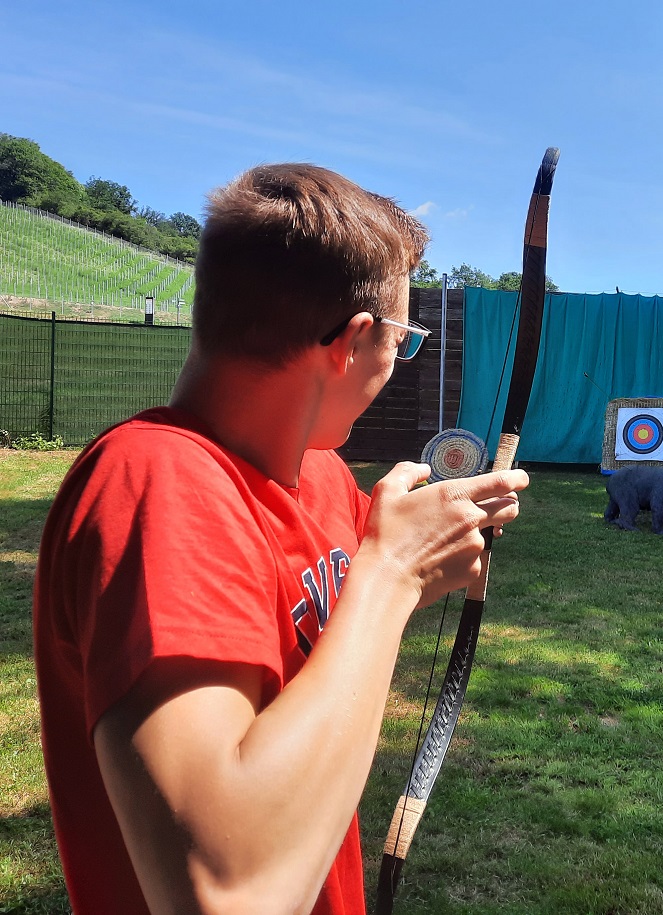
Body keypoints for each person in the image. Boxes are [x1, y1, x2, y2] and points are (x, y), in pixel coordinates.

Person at [33, 163, 528, 914]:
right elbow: (234, 892)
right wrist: (391, 573)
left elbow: (330, 633)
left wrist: (419, 559)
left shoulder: (323, 479)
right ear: (354, 340)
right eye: (404, 338)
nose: (398, 361)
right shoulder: (158, 481)